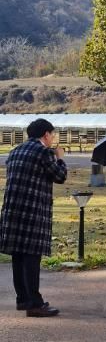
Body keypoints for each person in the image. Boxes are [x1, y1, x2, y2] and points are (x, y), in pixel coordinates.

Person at [0, 118, 67, 317]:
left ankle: (22, 299)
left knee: (18, 255)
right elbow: (60, 176)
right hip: (32, 210)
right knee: (31, 256)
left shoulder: (15, 151)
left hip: (13, 209)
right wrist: (60, 158)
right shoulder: (44, 152)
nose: (52, 138)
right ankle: (35, 304)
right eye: (52, 134)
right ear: (46, 134)